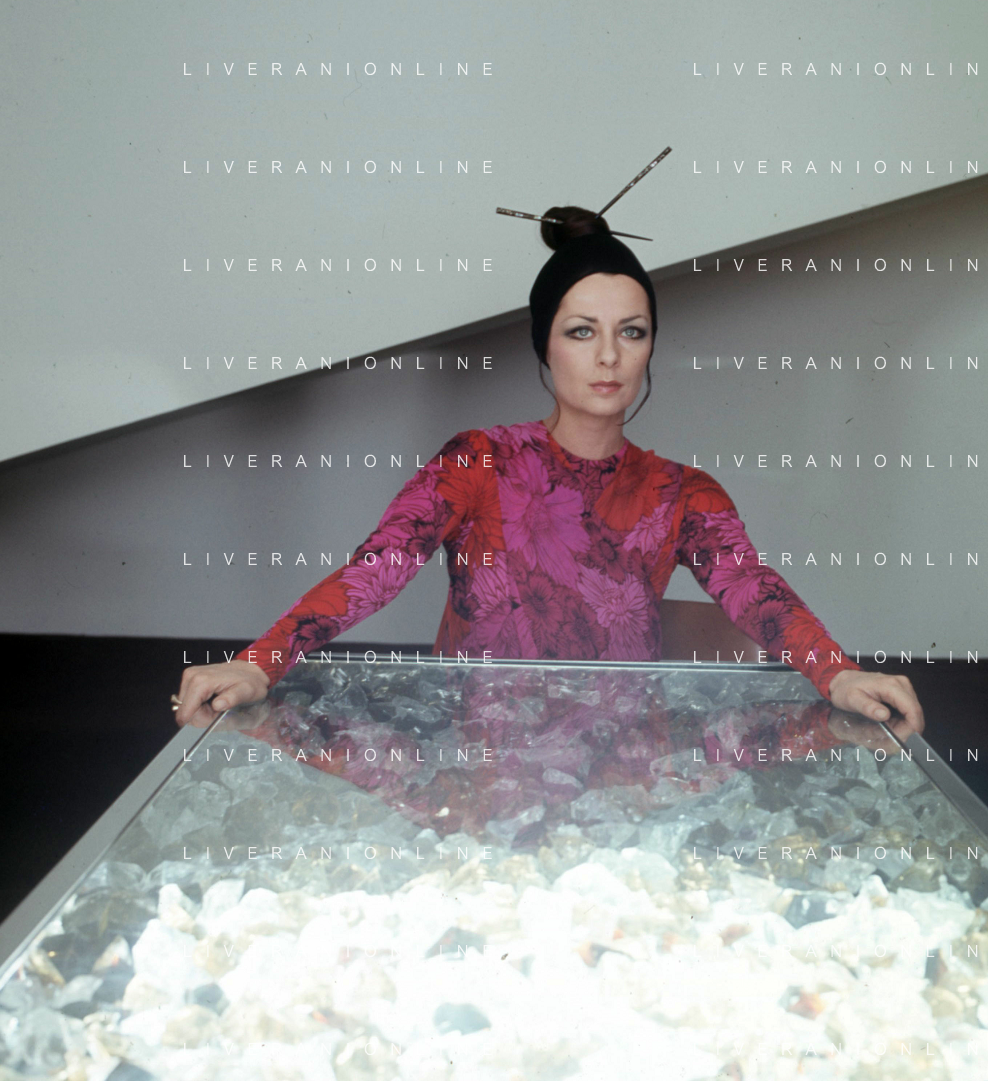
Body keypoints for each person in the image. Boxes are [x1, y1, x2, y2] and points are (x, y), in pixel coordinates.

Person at [175, 207, 924, 737]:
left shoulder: (684, 493)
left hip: (624, 764)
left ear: (650, 346)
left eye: (631, 331)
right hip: (477, 760)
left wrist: (840, 674)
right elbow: (376, 569)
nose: (609, 355)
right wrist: (257, 664)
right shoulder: (478, 461)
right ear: (546, 346)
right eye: (581, 331)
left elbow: (754, 591)